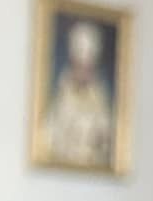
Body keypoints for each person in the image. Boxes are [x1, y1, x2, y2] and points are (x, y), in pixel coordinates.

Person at [39, 18, 115, 168]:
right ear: (73, 62)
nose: (84, 72)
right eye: (80, 66)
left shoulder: (99, 94)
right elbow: (50, 135)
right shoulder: (61, 91)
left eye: (89, 67)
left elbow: (108, 136)